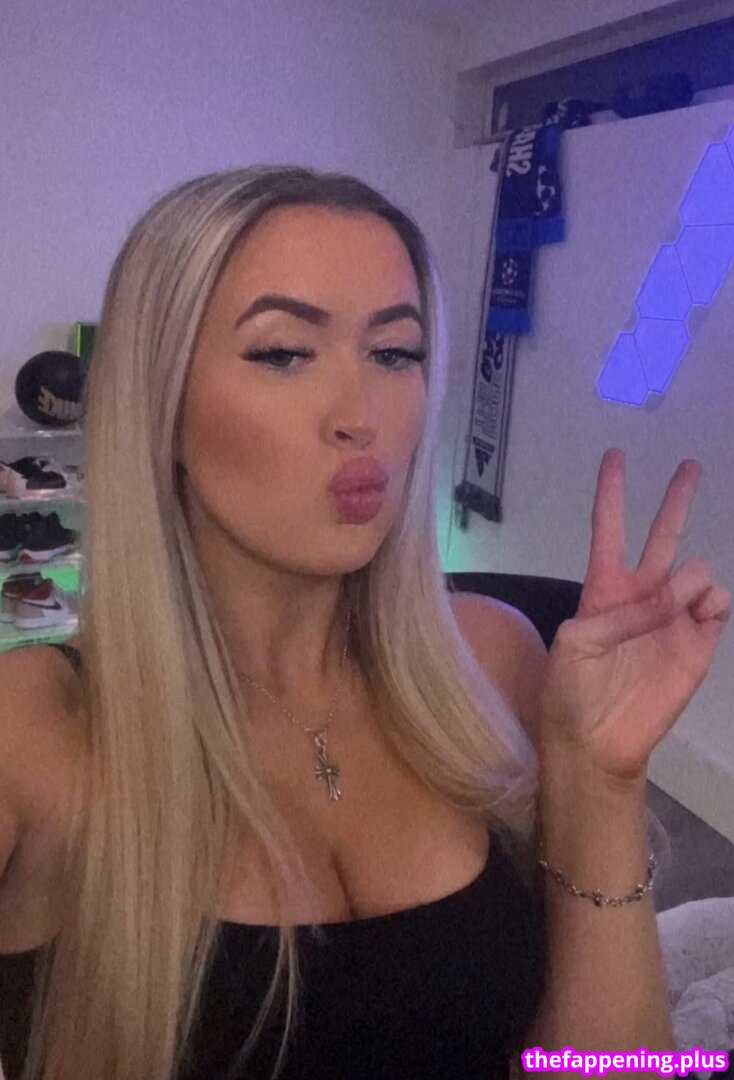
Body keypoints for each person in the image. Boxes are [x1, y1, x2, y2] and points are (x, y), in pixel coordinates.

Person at [0, 166, 729, 1080]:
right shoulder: (32, 727)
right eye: (283, 353)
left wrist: (600, 786)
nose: (362, 418)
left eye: (395, 354)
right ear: (159, 401)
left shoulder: (491, 657)